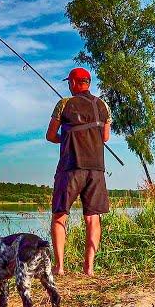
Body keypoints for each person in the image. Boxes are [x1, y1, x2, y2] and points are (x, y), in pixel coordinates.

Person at [45, 67, 111, 276]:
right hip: (96, 170)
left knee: (60, 215)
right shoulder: (103, 105)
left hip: (70, 168)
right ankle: (89, 268)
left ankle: (59, 267)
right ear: (88, 83)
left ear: (73, 83)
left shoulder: (64, 103)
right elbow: (106, 137)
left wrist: (67, 139)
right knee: (93, 218)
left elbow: (50, 135)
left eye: (69, 83)